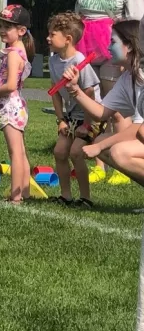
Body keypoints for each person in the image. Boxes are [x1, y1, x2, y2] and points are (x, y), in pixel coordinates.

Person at [61, 20, 144, 192]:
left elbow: (139, 128)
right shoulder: (127, 78)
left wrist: (98, 147)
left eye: (113, 42)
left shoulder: (142, 78)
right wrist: (75, 90)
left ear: (128, 46)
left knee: (118, 152)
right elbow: (101, 113)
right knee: (101, 140)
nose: (107, 47)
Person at [47, 12, 101, 208]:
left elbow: (89, 94)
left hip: (91, 115)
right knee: (60, 151)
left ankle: (86, 198)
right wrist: (61, 119)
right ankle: (66, 196)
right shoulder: (53, 61)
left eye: (52, 34)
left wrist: (87, 125)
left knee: (76, 152)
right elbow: (55, 92)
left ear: (67, 39)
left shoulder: (80, 61)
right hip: (71, 116)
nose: (48, 38)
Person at [0, 5, 34, 204]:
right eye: (1, 25)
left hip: (11, 106)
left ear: (21, 31)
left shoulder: (13, 54)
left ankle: (16, 197)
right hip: (17, 106)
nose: (2, 30)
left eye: (8, 26)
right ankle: (25, 193)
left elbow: (11, 85)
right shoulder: (18, 51)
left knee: (15, 154)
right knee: (20, 152)